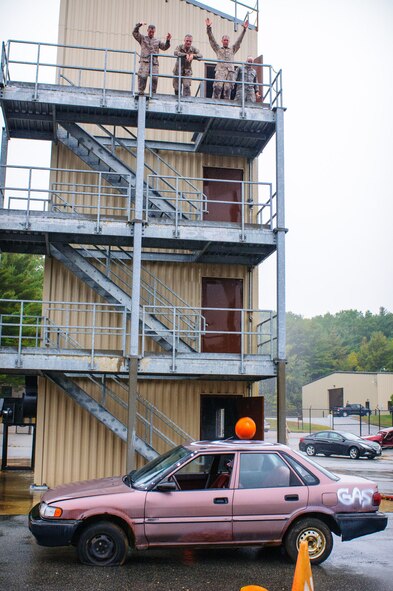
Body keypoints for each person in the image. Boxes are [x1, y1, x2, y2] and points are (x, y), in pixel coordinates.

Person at [205, 17, 248, 100]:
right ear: (222, 41)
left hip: (230, 72)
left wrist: (244, 30)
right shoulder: (218, 49)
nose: (226, 41)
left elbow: (239, 41)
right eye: (224, 40)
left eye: (227, 40)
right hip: (220, 71)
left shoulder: (232, 49)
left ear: (229, 41)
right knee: (218, 87)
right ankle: (215, 102)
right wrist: (208, 28)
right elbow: (212, 40)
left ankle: (226, 104)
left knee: (228, 89)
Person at [132, 22, 172, 95]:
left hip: (154, 62)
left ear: (154, 32)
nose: (151, 33)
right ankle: (141, 92)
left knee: (154, 78)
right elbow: (135, 33)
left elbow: (165, 47)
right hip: (145, 61)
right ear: (147, 31)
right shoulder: (142, 38)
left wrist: (168, 40)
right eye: (150, 31)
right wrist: (139, 25)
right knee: (143, 76)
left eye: (153, 32)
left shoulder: (157, 41)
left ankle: (152, 93)